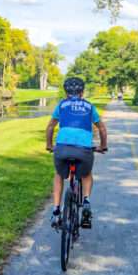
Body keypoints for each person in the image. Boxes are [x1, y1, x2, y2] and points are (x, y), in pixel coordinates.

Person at [46, 77, 108, 229]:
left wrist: (49, 145)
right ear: (82, 92)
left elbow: (50, 127)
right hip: (83, 150)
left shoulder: (61, 105)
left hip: (62, 148)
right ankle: (86, 201)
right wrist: (102, 146)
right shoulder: (89, 107)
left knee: (59, 175)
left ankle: (56, 210)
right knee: (86, 174)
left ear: (66, 92)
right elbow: (102, 128)